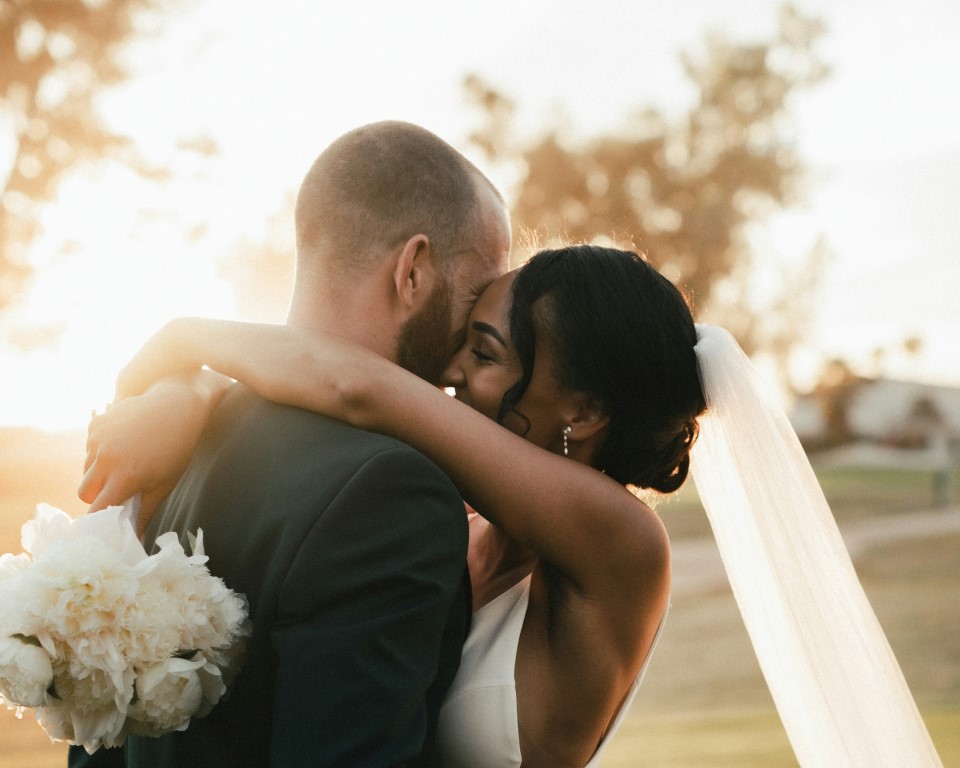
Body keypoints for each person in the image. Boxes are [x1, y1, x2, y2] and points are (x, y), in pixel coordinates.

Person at [82, 245, 944, 767]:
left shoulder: (622, 545)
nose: (451, 372)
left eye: (486, 352)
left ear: (585, 411)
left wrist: (185, 341)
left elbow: (357, 387)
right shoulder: (450, 528)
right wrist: (193, 401)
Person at [69, 120, 512, 768]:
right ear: (413, 270)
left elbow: (97, 742)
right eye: (476, 291)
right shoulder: (392, 491)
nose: (476, 328)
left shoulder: (176, 446)